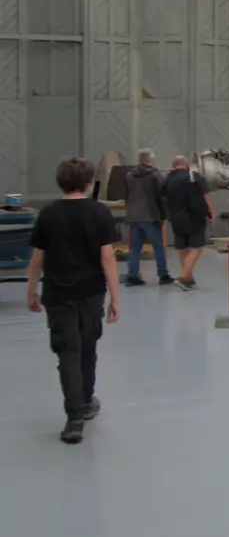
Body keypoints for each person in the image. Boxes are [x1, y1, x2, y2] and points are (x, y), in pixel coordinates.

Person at [26, 156, 121, 444]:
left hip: (57, 294)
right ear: (89, 183)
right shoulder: (99, 213)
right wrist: (115, 297)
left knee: (67, 352)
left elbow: (37, 260)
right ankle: (87, 399)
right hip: (91, 293)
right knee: (88, 348)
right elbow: (107, 257)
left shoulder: (49, 214)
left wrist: (32, 290)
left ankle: (74, 417)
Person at [159, 154, 214, 291]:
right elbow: (205, 195)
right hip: (194, 217)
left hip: (175, 219)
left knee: (183, 248)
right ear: (186, 164)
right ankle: (183, 277)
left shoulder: (167, 180)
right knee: (197, 248)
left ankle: (189, 280)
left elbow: (162, 197)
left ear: (173, 166)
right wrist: (210, 212)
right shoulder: (193, 176)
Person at [122, 148, 174, 286]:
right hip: (151, 215)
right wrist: (164, 214)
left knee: (134, 249)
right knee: (158, 247)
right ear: (151, 160)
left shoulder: (129, 175)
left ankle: (132, 276)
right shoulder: (155, 175)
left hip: (133, 216)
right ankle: (163, 275)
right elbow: (161, 196)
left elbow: (127, 196)